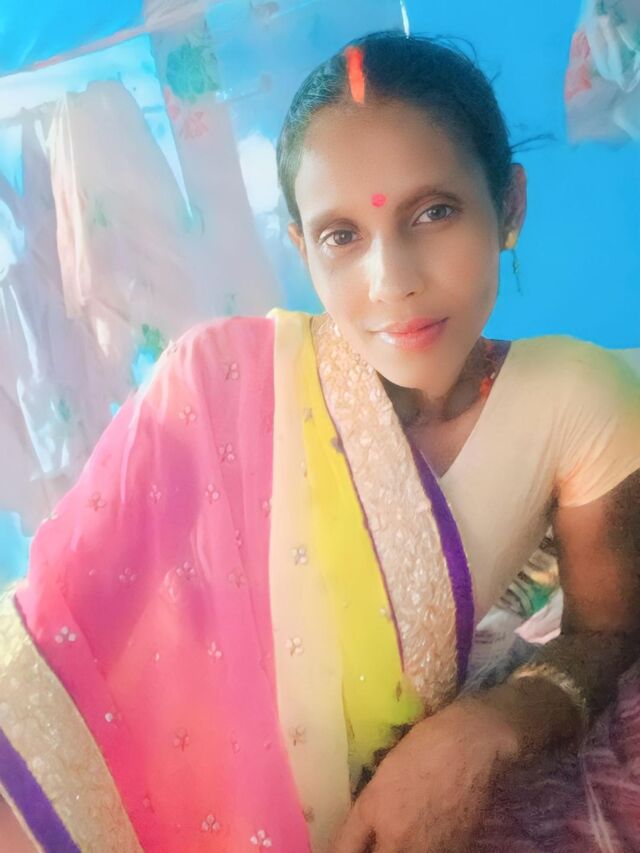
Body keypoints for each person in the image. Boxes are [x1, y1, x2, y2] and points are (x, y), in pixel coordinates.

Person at [2, 29, 640, 853]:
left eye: (434, 212)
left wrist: (483, 729)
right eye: (343, 235)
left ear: (509, 205)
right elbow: (55, 638)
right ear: (303, 249)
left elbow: (604, 633)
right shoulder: (217, 382)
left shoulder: (577, 399)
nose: (392, 280)